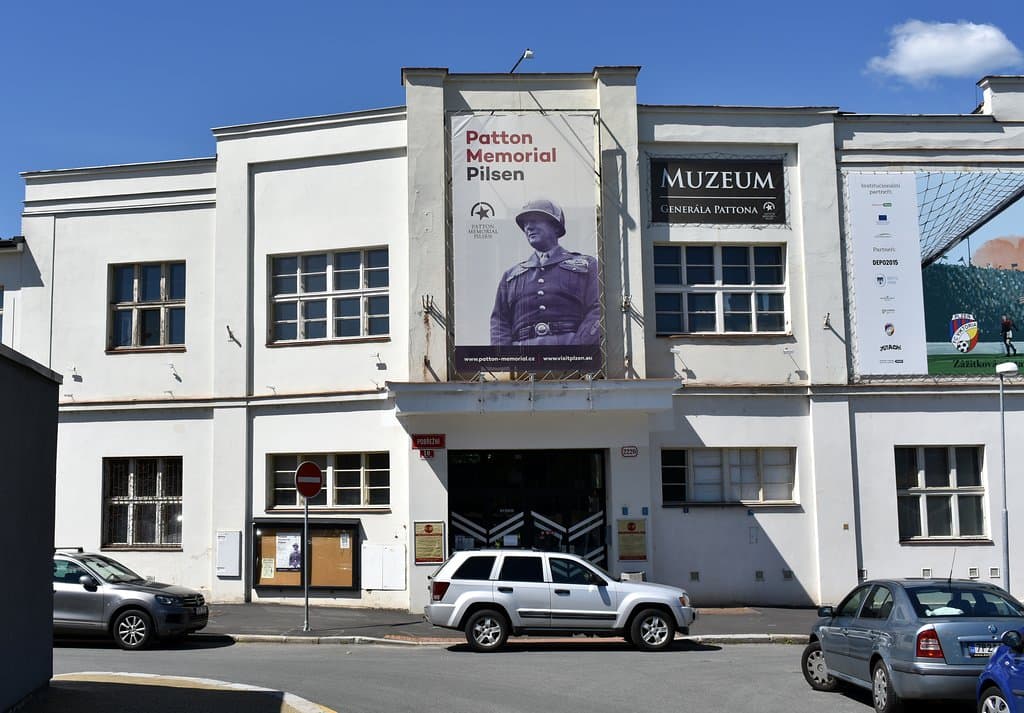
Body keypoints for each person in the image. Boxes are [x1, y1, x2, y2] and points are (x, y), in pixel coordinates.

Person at [490, 198, 600, 346]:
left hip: (570, 354)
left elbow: (597, 309)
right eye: (526, 224)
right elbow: (500, 322)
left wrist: (579, 346)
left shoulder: (587, 265)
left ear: (555, 227)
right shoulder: (510, 276)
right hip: (523, 357)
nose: (529, 227)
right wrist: (505, 358)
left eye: (535, 220)